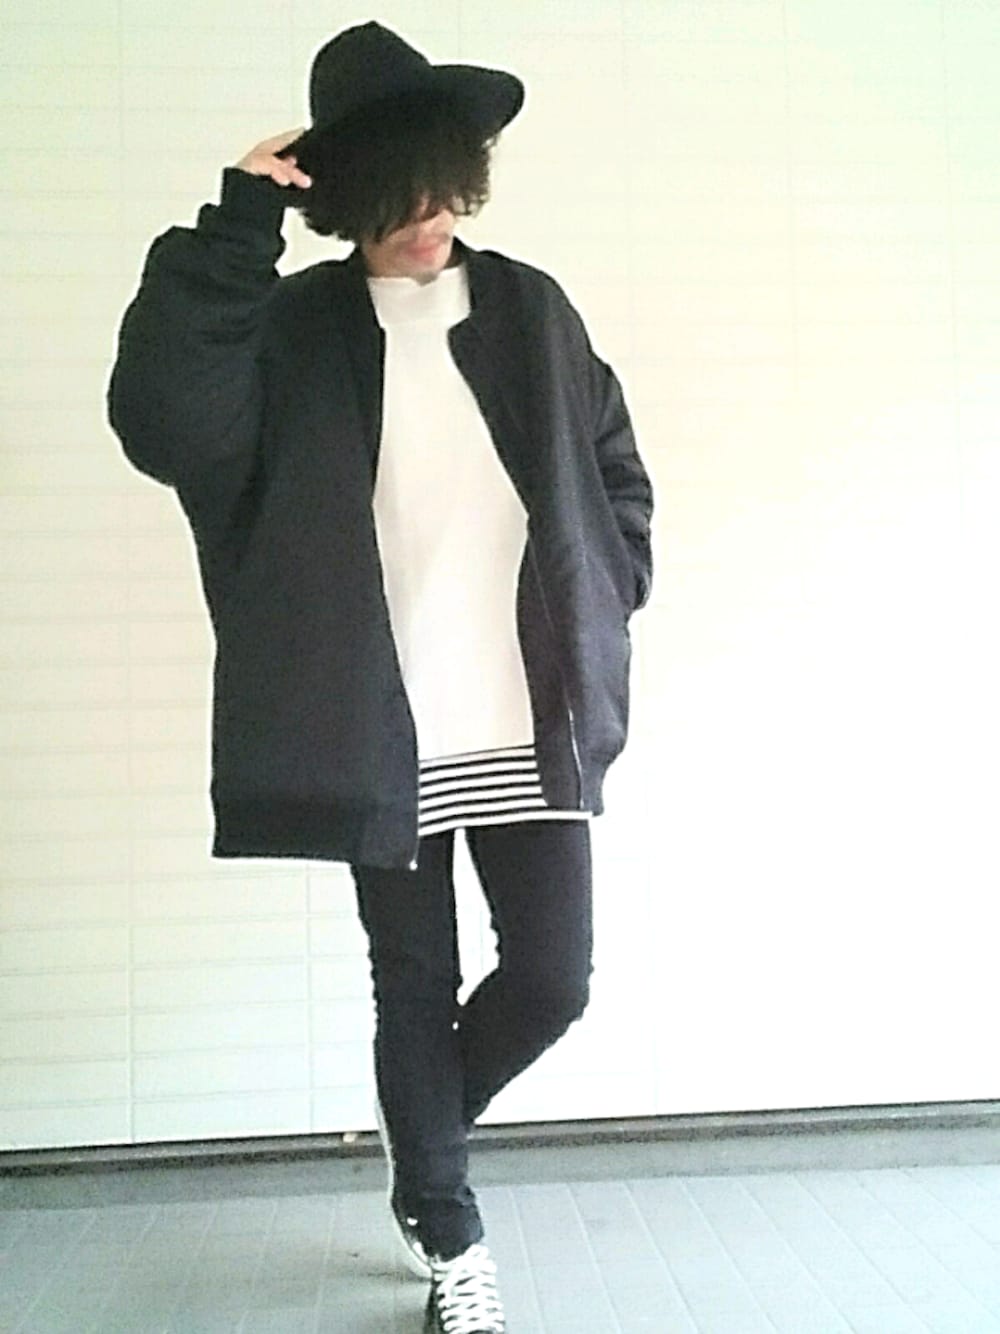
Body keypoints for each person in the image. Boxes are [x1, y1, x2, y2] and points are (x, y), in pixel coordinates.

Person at [108, 21, 653, 1334]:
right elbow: (165, 421)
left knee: (554, 977)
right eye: (396, 198)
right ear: (347, 197)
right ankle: (453, 1239)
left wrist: (609, 584)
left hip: (528, 712)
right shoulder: (292, 328)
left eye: (442, 191)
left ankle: (422, 1150)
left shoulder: (531, 308)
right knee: (411, 981)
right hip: (376, 725)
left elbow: (614, 461)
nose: (426, 221)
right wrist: (239, 226)